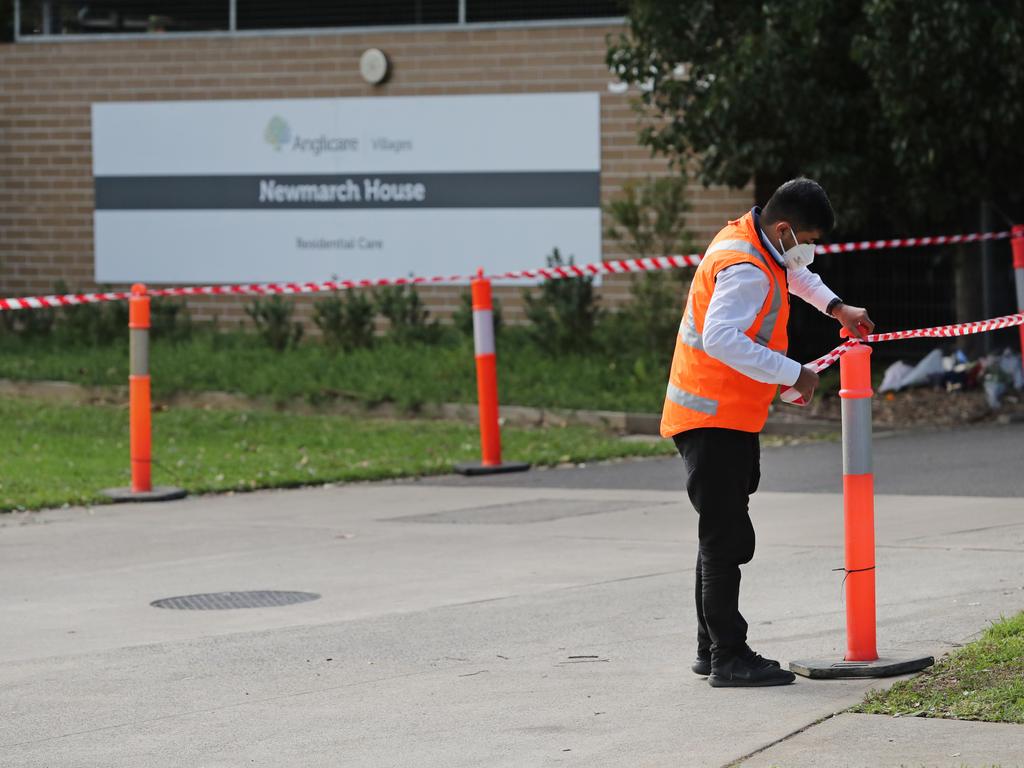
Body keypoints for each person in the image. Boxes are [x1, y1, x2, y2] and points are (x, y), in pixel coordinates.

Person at [661, 178, 873, 687]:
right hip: (714, 418)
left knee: (719, 534)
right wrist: (791, 371)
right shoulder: (747, 268)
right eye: (806, 240)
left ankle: (710, 649)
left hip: (720, 416)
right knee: (724, 538)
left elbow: (796, 276)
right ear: (783, 229)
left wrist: (836, 307)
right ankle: (729, 658)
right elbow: (720, 337)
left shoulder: (752, 242)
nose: (809, 252)